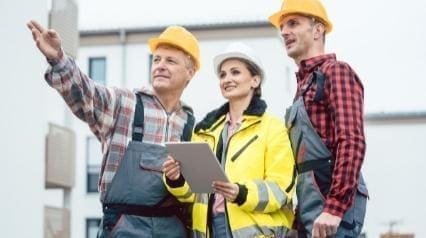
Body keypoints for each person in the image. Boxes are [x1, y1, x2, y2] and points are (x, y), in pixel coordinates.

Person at [27, 20, 200, 237]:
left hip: (173, 229)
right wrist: (59, 60)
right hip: (123, 228)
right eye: (156, 59)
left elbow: (198, 194)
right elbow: (86, 93)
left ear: (190, 71)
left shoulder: (191, 124)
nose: (160, 65)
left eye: (171, 61)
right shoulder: (124, 104)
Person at [162, 42, 296, 238]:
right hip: (209, 230)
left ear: (255, 80)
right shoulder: (205, 131)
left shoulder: (272, 128)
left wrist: (241, 193)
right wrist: (176, 179)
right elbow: (193, 193)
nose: (227, 79)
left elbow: (281, 188)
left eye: (235, 72)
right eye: (223, 75)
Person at [268, 0, 369, 237]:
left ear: (317, 30)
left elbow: (351, 140)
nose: (284, 32)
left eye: (293, 23)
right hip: (310, 203)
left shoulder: (336, 72)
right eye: (282, 26)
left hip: (333, 204)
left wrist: (335, 208)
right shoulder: (302, 88)